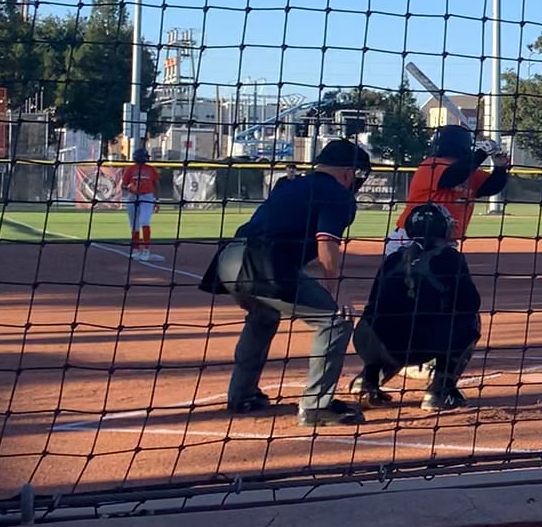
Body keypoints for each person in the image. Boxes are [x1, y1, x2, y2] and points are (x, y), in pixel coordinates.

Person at [198, 139, 372, 426]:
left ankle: (242, 395)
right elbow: (326, 243)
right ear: (347, 172)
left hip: (228, 259)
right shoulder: (338, 195)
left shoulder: (291, 185)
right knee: (335, 320)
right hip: (261, 264)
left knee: (263, 316)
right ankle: (316, 407)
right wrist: (336, 290)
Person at [352, 203, 482, 412]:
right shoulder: (451, 257)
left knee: (385, 318)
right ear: (443, 228)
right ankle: (440, 391)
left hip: (369, 342)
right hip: (420, 347)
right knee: (471, 320)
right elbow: (471, 302)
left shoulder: (393, 258)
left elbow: (374, 302)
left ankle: (368, 381)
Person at [386, 125, 510, 255]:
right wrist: (482, 153)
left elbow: (490, 188)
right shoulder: (432, 164)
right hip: (411, 240)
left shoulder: (469, 171)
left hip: (445, 242)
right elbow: (452, 177)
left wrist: (500, 168)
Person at [118, 147, 161, 261]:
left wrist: (157, 200)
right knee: (134, 224)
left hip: (147, 196)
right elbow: (123, 185)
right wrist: (129, 188)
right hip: (133, 196)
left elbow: (156, 184)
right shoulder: (130, 169)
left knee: (144, 221)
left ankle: (146, 250)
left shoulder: (151, 169)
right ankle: (136, 249)